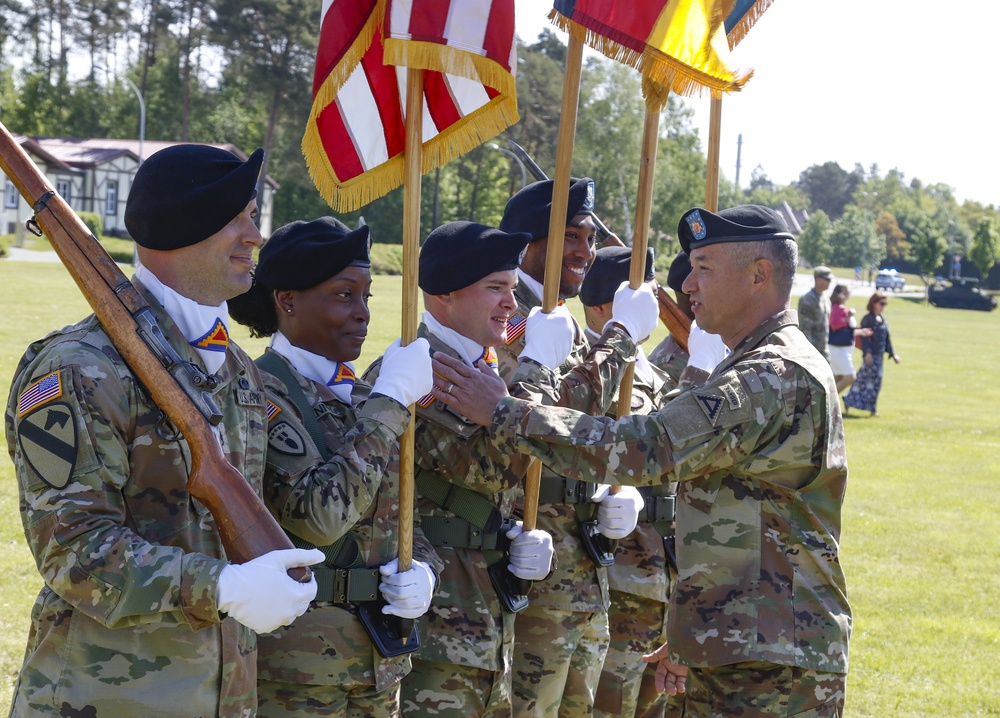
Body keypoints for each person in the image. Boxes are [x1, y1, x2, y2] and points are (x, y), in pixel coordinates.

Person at [433, 205, 853, 716]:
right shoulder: (760, 364)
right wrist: (692, 629)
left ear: (758, 275)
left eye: (704, 268)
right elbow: (738, 520)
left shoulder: (770, 375)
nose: (687, 286)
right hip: (747, 638)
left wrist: (504, 412)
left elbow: (643, 446)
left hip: (771, 651)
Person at [4, 145, 323, 717]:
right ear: (185, 227)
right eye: (239, 218)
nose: (256, 236)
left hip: (224, 695)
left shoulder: (235, 369)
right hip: (107, 698)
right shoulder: (76, 368)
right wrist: (221, 588)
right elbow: (73, 551)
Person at [227, 216, 441, 717]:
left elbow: (398, 510)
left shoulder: (364, 397)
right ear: (288, 299)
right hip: (298, 673)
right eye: (345, 295)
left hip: (379, 661)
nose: (363, 313)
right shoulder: (259, 394)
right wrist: (389, 403)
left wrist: (425, 570)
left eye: (367, 297)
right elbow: (318, 517)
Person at [361, 220, 566, 717]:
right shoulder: (426, 370)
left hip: (484, 615)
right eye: (495, 289)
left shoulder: (479, 367)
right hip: (438, 628)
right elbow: (493, 470)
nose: (511, 305)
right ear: (445, 295)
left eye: (513, 289)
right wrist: (538, 369)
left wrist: (516, 529)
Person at [496, 178, 647, 716]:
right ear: (526, 244)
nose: (586, 250)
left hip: (585, 565)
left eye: (589, 237)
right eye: (571, 236)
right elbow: (551, 413)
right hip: (531, 566)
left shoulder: (571, 326)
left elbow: (606, 429)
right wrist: (622, 339)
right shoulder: (508, 321)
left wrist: (620, 490)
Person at [843, 291, 902, 417]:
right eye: (881, 303)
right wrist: (867, 353)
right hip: (870, 356)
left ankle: (863, 405)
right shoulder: (868, 319)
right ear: (874, 303)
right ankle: (866, 407)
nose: (883, 306)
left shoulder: (883, 319)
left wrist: (893, 354)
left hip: (879, 356)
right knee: (865, 382)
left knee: (873, 382)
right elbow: (864, 338)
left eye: (885, 304)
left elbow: (887, 339)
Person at [827, 284, 872, 396]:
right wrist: (849, 316)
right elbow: (835, 325)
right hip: (838, 349)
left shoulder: (838, 307)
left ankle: (827, 406)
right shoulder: (838, 308)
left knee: (838, 378)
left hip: (841, 349)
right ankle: (829, 402)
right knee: (850, 377)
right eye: (848, 292)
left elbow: (845, 331)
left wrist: (861, 332)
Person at [798, 265, 833, 360]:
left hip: (823, 347)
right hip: (811, 350)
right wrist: (808, 352)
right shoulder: (808, 299)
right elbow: (804, 326)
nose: (829, 282)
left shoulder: (826, 299)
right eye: (827, 279)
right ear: (818, 279)